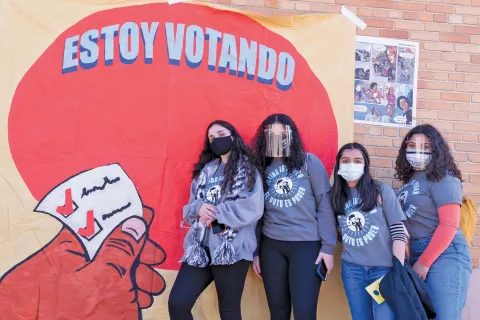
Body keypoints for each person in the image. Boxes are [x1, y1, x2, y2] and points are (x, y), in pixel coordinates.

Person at [168, 120, 264, 320]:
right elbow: (190, 207)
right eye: (211, 138)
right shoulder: (207, 171)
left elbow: (252, 208)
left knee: (228, 311)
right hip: (200, 247)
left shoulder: (248, 170)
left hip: (231, 248)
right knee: (178, 302)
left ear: (232, 135)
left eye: (221, 134)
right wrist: (199, 207)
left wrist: (216, 212)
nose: (216, 140)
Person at [251, 113, 337, 320]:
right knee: (277, 313)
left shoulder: (309, 162)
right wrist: (256, 251)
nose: (277, 137)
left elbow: (324, 204)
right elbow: (256, 214)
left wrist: (328, 247)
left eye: (282, 133)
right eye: (271, 133)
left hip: (307, 246)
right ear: (264, 137)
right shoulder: (260, 168)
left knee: (304, 313)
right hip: (272, 247)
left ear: (292, 136)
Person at [395, 124, 472, 320]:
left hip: (444, 254)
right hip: (415, 254)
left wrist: (424, 262)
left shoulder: (444, 178)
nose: (417, 151)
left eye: (425, 147)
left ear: (436, 149)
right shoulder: (411, 179)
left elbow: (449, 225)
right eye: (411, 145)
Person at [331, 142, 406, 320]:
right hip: (353, 271)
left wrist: (398, 269)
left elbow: (398, 233)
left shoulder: (381, 191)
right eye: (346, 160)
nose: (351, 165)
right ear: (338, 165)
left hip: (383, 271)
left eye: (357, 161)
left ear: (365, 165)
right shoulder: (334, 197)